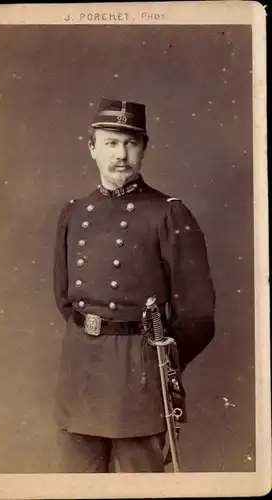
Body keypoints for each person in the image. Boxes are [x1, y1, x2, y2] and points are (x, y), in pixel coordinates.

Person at [53, 98, 216, 473]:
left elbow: (197, 316)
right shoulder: (75, 212)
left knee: (137, 484)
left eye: (131, 143)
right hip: (80, 368)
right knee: (73, 484)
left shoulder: (168, 212)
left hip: (138, 372)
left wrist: (158, 362)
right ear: (92, 147)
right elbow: (65, 299)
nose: (121, 154)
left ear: (144, 148)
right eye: (111, 142)